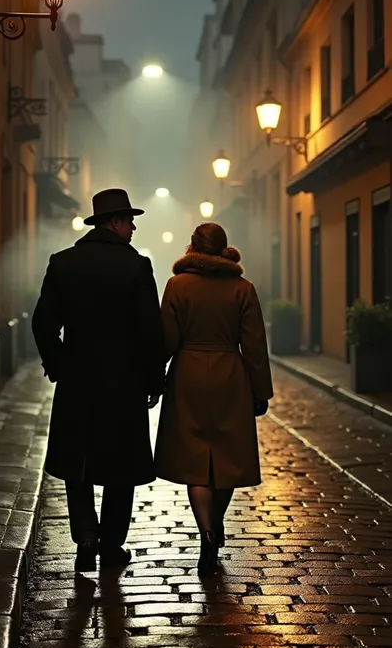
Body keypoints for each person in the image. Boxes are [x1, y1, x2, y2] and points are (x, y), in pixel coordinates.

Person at [32, 188, 165, 573]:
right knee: (120, 467)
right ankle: (111, 544)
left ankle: (85, 537)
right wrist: (153, 380)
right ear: (114, 222)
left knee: (79, 463)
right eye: (129, 219)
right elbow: (149, 332)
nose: (133, 226)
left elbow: (42, 324)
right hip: (124, 384)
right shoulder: (137, 266)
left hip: (77, 381)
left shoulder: (63, 262)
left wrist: (59, 366)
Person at [154, 222, 273, 576]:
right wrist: (260, 390)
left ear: (192, 247)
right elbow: (253, 344)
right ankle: (216, 525)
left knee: (195, 462)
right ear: (223, 248)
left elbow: (167, 338)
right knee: (228, 460)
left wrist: (153, 378)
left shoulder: (177, 285)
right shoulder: (243, 289)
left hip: (188, 373)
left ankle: (206, 533)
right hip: (229, 376)